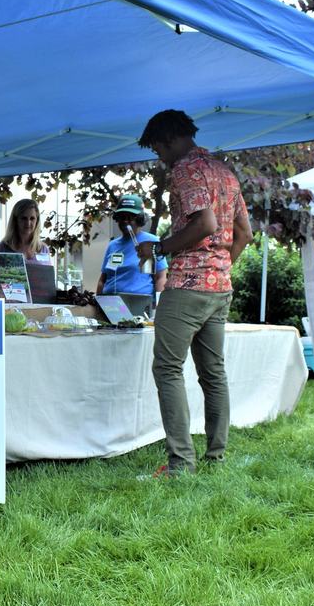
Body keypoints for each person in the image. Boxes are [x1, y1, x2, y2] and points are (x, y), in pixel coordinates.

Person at [135, 110, 252, 476]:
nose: (158, 156)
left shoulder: (186, 170)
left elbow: (206, 223)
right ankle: (215, 459)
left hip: (187, 286)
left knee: (168, 369)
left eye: (157, 147)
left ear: (168, 139)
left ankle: (180, 464)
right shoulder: (225, 171)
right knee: (213, 374)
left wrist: (160, 248)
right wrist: (219, 268)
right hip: (219, 288)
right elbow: (244, 233)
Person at [96, 194, 168, 312]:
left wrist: (159, 307)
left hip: (138, 305)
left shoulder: (152, 242)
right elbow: (103, 279)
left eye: (130, 217)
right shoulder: (113, 245)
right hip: (110, 306)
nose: (125, 221)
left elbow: (160, 277)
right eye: (121, 217)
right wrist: (97, 303)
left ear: (140, 219)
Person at [0, 199, 50, 263]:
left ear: (37, 221)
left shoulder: (43, 249)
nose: (28, 223)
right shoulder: (3, 248)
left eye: (32, 218)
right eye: (24, 218)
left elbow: (49, 272)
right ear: (15, 220)